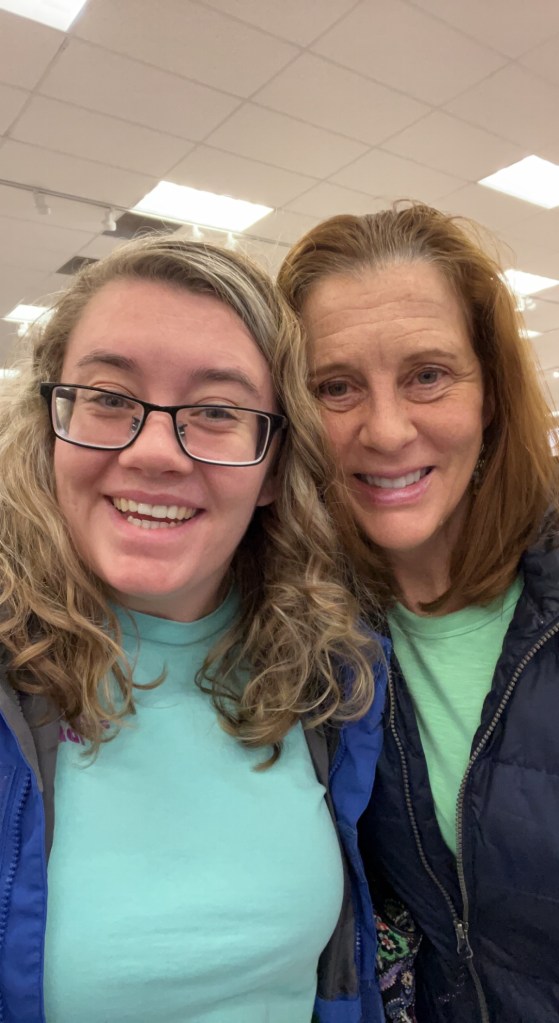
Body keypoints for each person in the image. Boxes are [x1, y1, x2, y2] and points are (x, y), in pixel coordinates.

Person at [0, 234, 389, 1023]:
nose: (153, 452)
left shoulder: (329, 676)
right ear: (51, 425)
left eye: (215, 411)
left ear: (274, 465)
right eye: (109, 397)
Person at [277, 203, 559, 1023]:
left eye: (427, 375)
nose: (386, 429)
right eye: (335, 387)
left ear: (490, 393)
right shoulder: (304, 632)